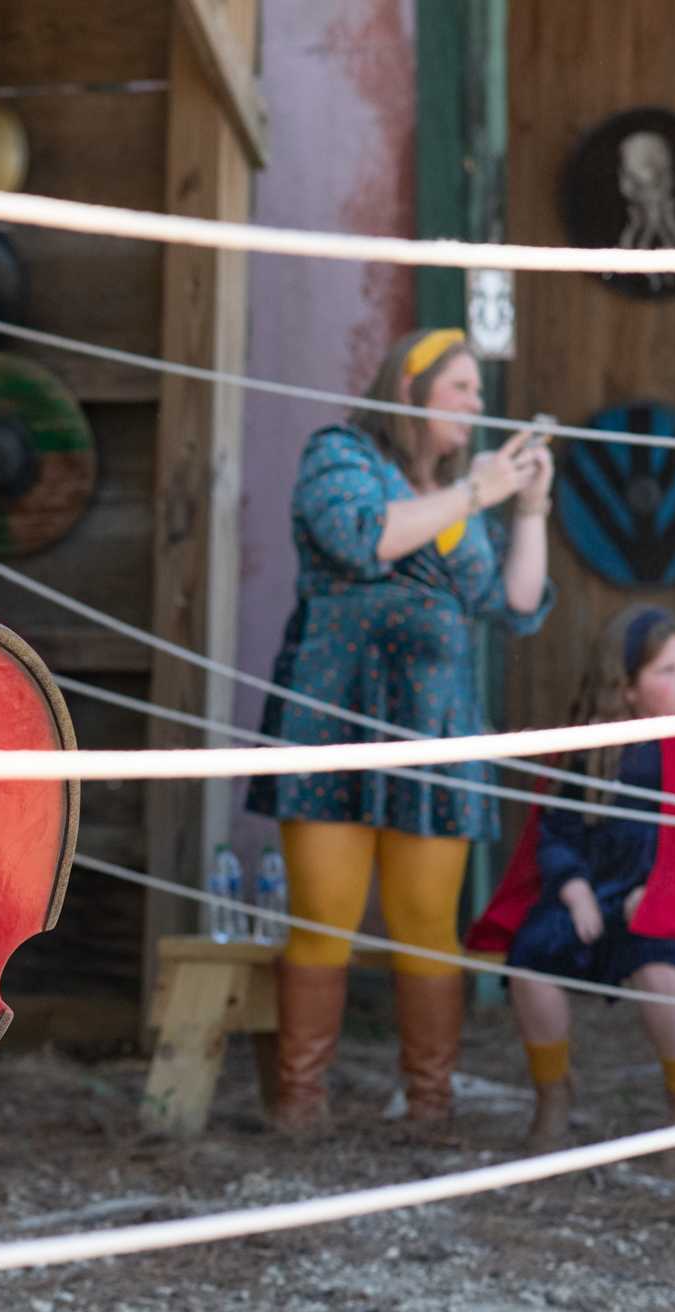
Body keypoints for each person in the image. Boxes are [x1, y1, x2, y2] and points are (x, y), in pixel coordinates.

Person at [246, 327, 556, 1133]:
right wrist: (477, 494)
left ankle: (429, 1106)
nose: (478, 405)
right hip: (333, 714)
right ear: (410, 390)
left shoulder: (459, 491)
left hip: (436, 726)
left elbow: (514, 604)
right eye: (462, 388)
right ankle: (301, 1102)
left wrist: (528, 507)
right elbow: (363, 537)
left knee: (427, 920)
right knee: (324, 915)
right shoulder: (339, 456)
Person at [476, 606, 675, 1160]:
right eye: (665, 671)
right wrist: (574, 886)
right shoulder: (591, 751)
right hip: (592, 893)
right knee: (531, 959)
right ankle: (553, 1095)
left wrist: (660, 895)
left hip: (663, 901)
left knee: (662, 971)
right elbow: (555, 830)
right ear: (626, 690)